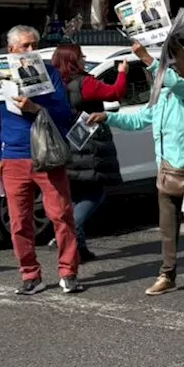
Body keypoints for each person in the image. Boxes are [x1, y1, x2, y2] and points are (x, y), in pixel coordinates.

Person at [91, 42, 184, 298]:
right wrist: (108, 117)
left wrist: (146, 57)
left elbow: (176, 82)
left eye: (164, 71)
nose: (158, 76)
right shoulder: (160, 97)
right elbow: (139, 120)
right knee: (167, 229)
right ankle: (167, 274)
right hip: (165, 171)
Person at [0, 25, 83, 296]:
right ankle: (30, 275)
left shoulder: (49, 73)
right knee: (18, 221)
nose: (32, 50)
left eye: (35, 45)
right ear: (11, 50)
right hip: (13, 158)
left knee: (61, 215)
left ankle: (68, 272)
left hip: (46, 154)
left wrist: (36, 108)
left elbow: (65, 112)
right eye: (26, 46)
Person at [51, 44, 127, 263]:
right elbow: (116, 93)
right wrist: (122, 74)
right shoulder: (86, 83)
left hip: (64, 142)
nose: (84, 60)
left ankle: (79, 248)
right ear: (74, 60)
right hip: (88, 143)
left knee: (75, 194)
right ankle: (67, 232)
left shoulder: (55, 83)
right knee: (94, 193)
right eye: (81, 57)